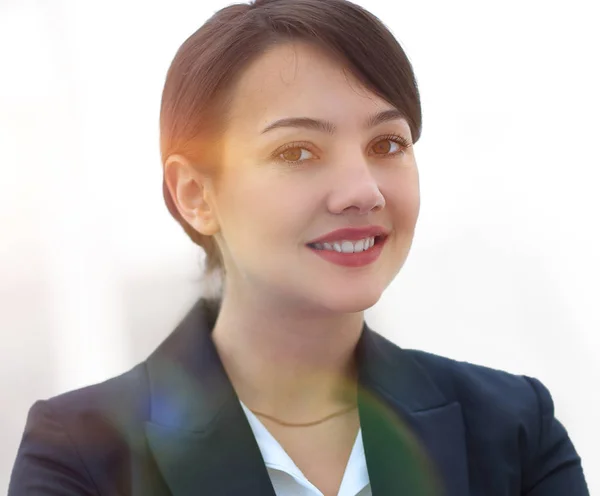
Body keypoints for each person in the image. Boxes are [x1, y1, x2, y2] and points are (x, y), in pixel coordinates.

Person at [8, 0, 589, 494]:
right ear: (196, 195)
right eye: (297, 153)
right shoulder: (81, 455)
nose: (363, 190)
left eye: (387, 143)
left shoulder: (514, 428)